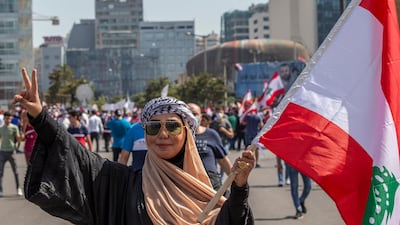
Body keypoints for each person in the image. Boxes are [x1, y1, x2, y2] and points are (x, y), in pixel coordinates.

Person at [15, 68, 255, 225]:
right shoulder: (124, 183)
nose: (162, 134)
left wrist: (239, 187)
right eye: (153, 127)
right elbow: (75, 155)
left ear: (187, 135)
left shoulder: (211, 185)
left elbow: (233, 221)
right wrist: (40, 115)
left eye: (172, 127)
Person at [188, 103, 232, 192]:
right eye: (187, 113)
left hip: (212, 184)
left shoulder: (211, 134)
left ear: (201, 116)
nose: (191, 117)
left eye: (194, 114)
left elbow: (223, 161)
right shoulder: (176, 138)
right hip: (188, 184)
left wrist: (237, 183)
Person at [0, 111, 23, 197]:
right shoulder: (1, 128)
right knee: (0, 172)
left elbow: (18, 138)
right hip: (2, 152)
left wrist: (17, 146)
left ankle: (18, 189)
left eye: (9, 118)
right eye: (6, 118)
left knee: (16, 172)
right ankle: (1, 190)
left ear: (11, 118)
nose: (8, 120)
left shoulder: (14, 127)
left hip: (11, 152)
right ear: (4, 118)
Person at [240, 100, 264, 168]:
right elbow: (261, 125)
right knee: (256, 149)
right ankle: (256, 163)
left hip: (248, 133)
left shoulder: (247, 116)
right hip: (256, 134)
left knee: (247, 148)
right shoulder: (257, 116)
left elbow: (242, 123)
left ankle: (245, 162)